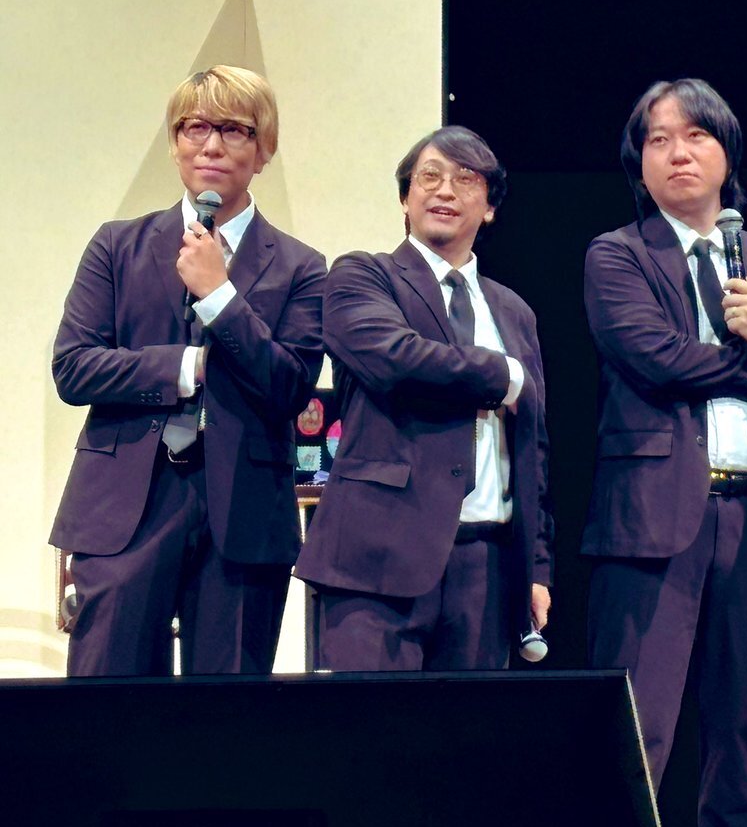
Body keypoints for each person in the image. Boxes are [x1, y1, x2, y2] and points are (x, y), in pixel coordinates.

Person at [582, 78, 747, 827]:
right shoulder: (617, 255)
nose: (678, 153)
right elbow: (656, 357)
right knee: (635, 734)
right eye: (658, 140)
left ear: (727, 153)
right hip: (650, 525)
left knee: (746, 739)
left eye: (696, 136)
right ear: (640, 162)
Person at [51, 65, 326, 676]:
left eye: (233, 130)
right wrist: (187, 365)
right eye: (195, 127)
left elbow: (289, 386)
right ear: (175, 144)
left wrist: (220, 296)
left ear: (263, 149)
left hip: (245, 509)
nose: (211, 145)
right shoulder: (117, 245)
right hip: (125, 502)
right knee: (108, 697)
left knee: (226, 711)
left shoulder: (302, 266)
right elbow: (74, 368)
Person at [294, 125, 552, 670]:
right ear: (405, 199)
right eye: (429, 177)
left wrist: (536, 566)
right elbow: (395, 359)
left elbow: (533, 447)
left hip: (488, 565)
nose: (445, 190)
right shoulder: (363, 275)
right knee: (373, 723)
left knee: (467, 728)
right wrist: (502, 375)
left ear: (490, 207)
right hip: (377, 558)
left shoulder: (515, 312)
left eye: (466, 179)